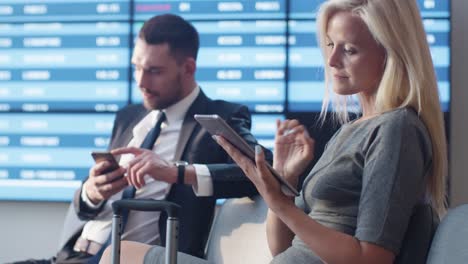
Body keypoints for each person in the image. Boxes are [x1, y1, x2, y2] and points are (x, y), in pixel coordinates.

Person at [101, 0, 448, 263]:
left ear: (391, 53)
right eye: (330, 45)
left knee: (121, 255)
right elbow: (281, 246)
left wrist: (280, 203)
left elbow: (370, 258)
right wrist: (284, 181)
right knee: (119, 252)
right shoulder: (350, 130)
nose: (331, 62)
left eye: (350, 50)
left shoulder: (396, 128)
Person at [12, 14, 269, 264]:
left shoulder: (222, 117)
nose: (141, 82)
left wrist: (178, 173)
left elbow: (263, 170)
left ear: (188, 68)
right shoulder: (128, 117)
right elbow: (85, 207)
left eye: (155, 71)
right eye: (136, 67)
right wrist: (92, 191)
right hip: (73, 254)